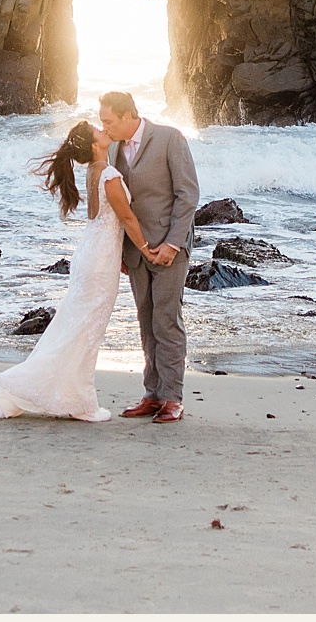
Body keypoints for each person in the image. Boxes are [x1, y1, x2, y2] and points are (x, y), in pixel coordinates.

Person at [0, 120, 128, 420]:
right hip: (99, 260)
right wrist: (148, 248)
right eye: (99, 131)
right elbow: (125, 219)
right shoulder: (109, 174)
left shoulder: (94, 171)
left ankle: (70, 397)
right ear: (93, 145)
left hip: (93, 254)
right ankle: (80, 403)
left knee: (76, 328)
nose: (105, 130)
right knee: (85, 330)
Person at [94, 90, 199, 423]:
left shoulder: (170, 139)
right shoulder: (112, 148)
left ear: (128, 116)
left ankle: (173, 398)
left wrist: (173, 243)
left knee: (166, 321)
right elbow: (117, 204)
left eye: (108, 120)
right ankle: (152, 394)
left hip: (169, 249)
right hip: (136, 251)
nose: (104, 126)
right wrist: (122, 250)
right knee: (146, 320)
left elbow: (188, 195)